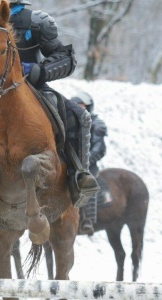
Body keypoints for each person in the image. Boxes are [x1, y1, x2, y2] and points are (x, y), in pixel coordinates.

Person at [0, 0, 100, 208]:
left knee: (78, 116)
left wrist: (38, 70)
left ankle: (78, 174)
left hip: (34, 86)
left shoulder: (37, 22)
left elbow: (66, 58)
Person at [71, 92, 108, 234]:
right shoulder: (69, 124)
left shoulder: (97, 125)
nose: (79, 109)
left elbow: (99, 149)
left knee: (88, 184)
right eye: (76, 106)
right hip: (71, 163)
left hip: (88, 166)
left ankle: (87, 220)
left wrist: (84, 162)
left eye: (82, 106)